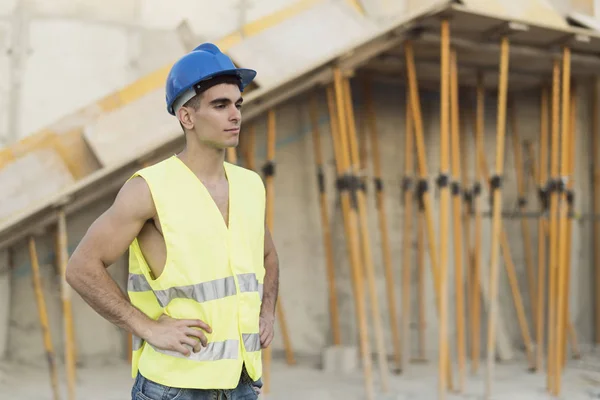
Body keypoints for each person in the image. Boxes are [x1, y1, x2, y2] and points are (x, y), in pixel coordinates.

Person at [66, 42, 279, 400]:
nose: (235, 115)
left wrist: (267, 310)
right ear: (187, 117)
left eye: (238, 104)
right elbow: (81, 267)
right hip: (173, 387)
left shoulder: (250, 185)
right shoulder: (149, 188)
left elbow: (268, 257)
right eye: (220, 105)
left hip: (242, 385)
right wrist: (145, 326)